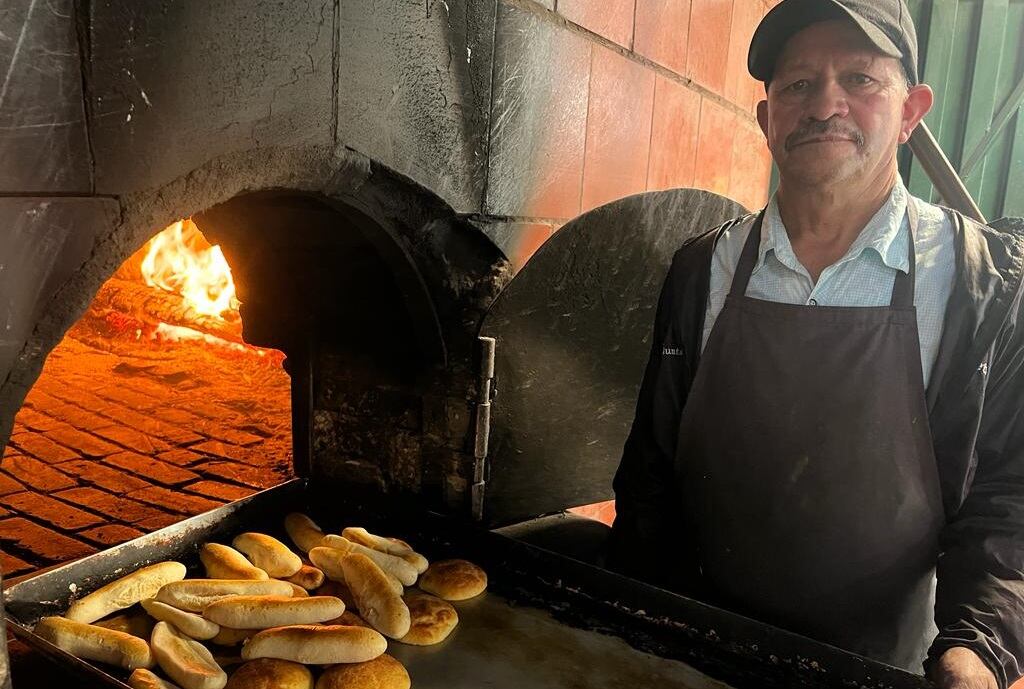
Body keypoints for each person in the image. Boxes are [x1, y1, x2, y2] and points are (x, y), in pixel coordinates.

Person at [607, 2, 1024, 688]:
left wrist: (976, 650)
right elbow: (651, 471)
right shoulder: (702, 270)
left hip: (879, 669)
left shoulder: (980, 286)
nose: (825, 105)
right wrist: (630, 635)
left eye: (860, 79)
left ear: (911, 110)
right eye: (798, 84)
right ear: (767, 117)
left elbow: (1007, 496)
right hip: (694, 655)